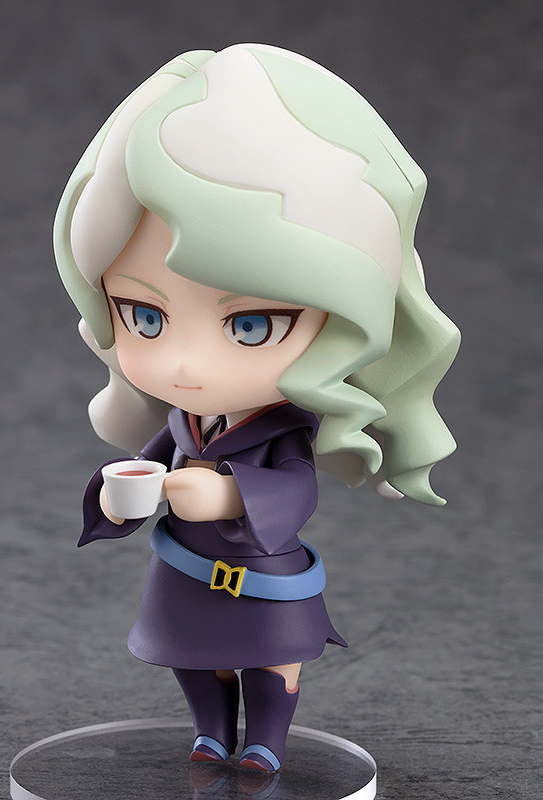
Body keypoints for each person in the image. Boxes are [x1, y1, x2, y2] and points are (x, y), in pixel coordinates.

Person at [54, 44, 460, 772]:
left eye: (250, 325)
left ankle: (267, 739)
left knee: (272, 664)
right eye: (145, 316)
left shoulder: (282, 428)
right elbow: (144, 469)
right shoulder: (181, 426)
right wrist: (117, 500)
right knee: (193, 656)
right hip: (185, 575)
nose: (185, 364)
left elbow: (296, 489)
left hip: (265, 579)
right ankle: (211, 731)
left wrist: (225, 495)